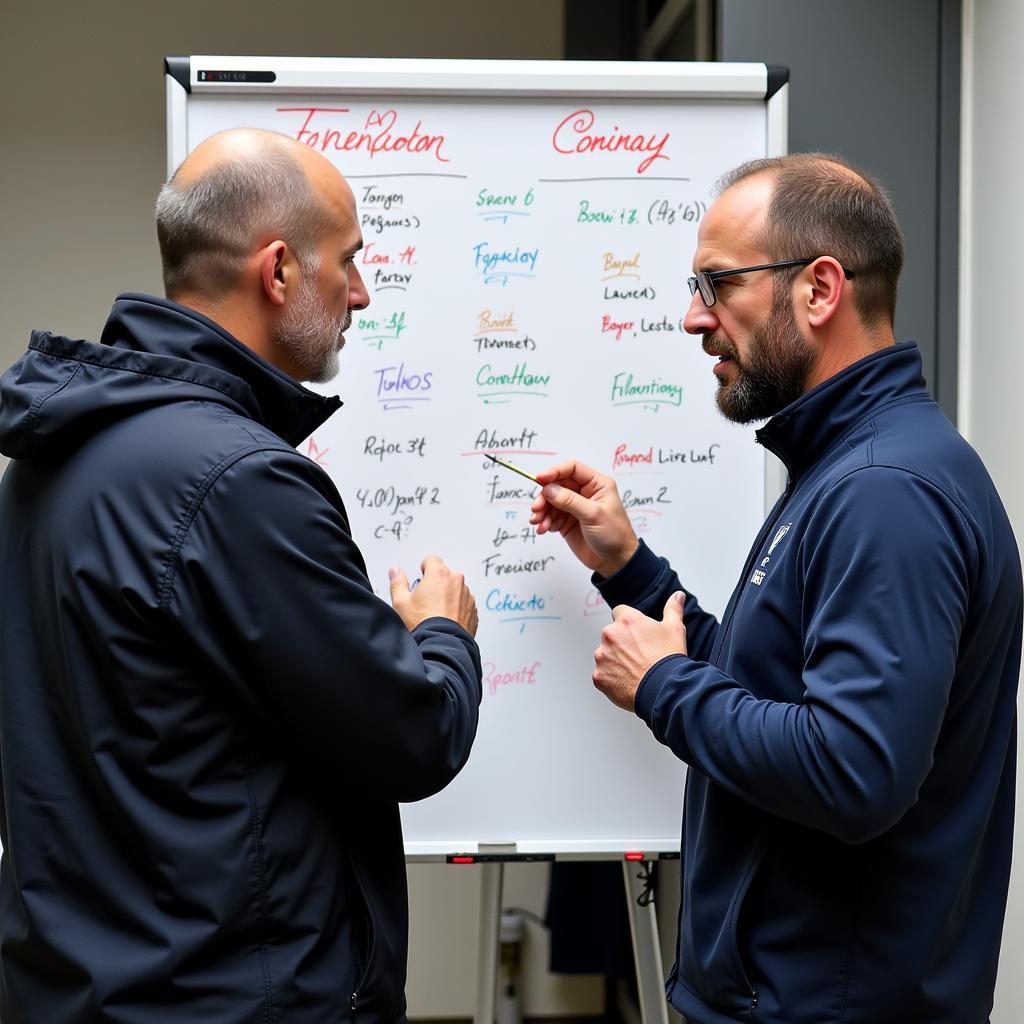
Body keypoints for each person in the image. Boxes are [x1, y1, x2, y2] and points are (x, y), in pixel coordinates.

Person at [0, 128, 483, 1023]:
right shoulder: (240, 482)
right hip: (231, 998)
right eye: (351, 261)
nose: (363, 293)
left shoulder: (48, 458)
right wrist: (441, 633)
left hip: (81, 990)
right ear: (278, 272)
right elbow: (413, 737)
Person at [530, 154, 1022, 1024]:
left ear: (819, 290)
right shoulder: (847, 466)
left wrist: (663, 687)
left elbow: (851, 768)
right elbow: (771, 685)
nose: (693, 319)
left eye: (718, 285)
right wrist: (629, 569)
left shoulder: (884, 492)